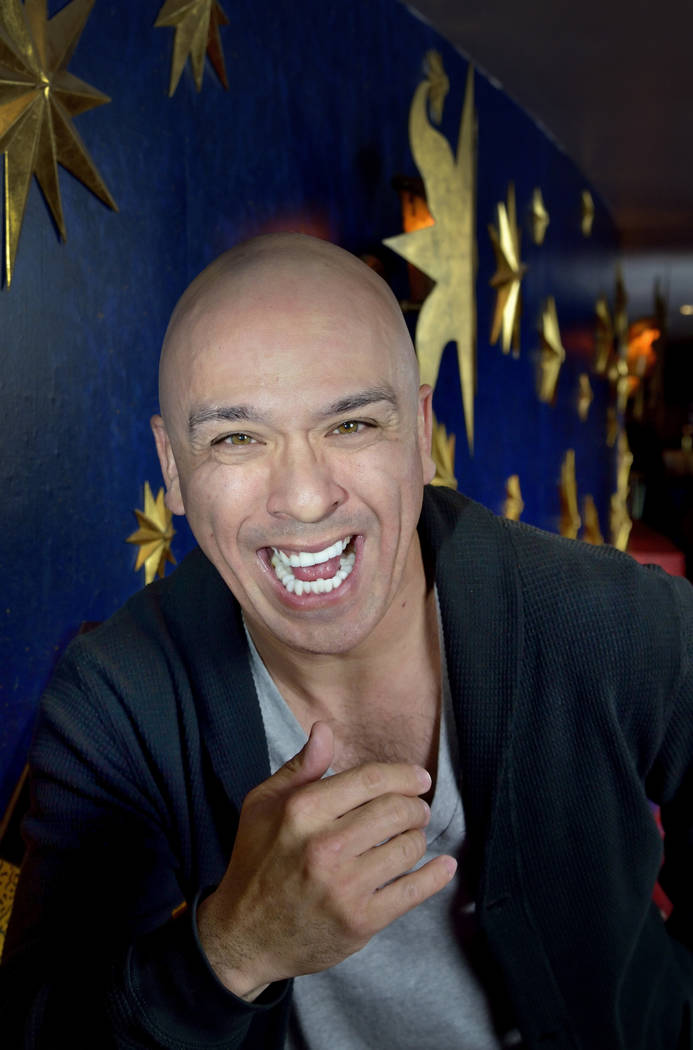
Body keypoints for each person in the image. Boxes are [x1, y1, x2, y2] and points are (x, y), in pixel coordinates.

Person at [1, 234, 692, 1050]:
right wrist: (233, 947)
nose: (302, 498)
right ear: (173, 468)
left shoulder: (614, 618)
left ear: (420, 433)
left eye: (352, 423)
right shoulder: (114, 700)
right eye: (235, 438)